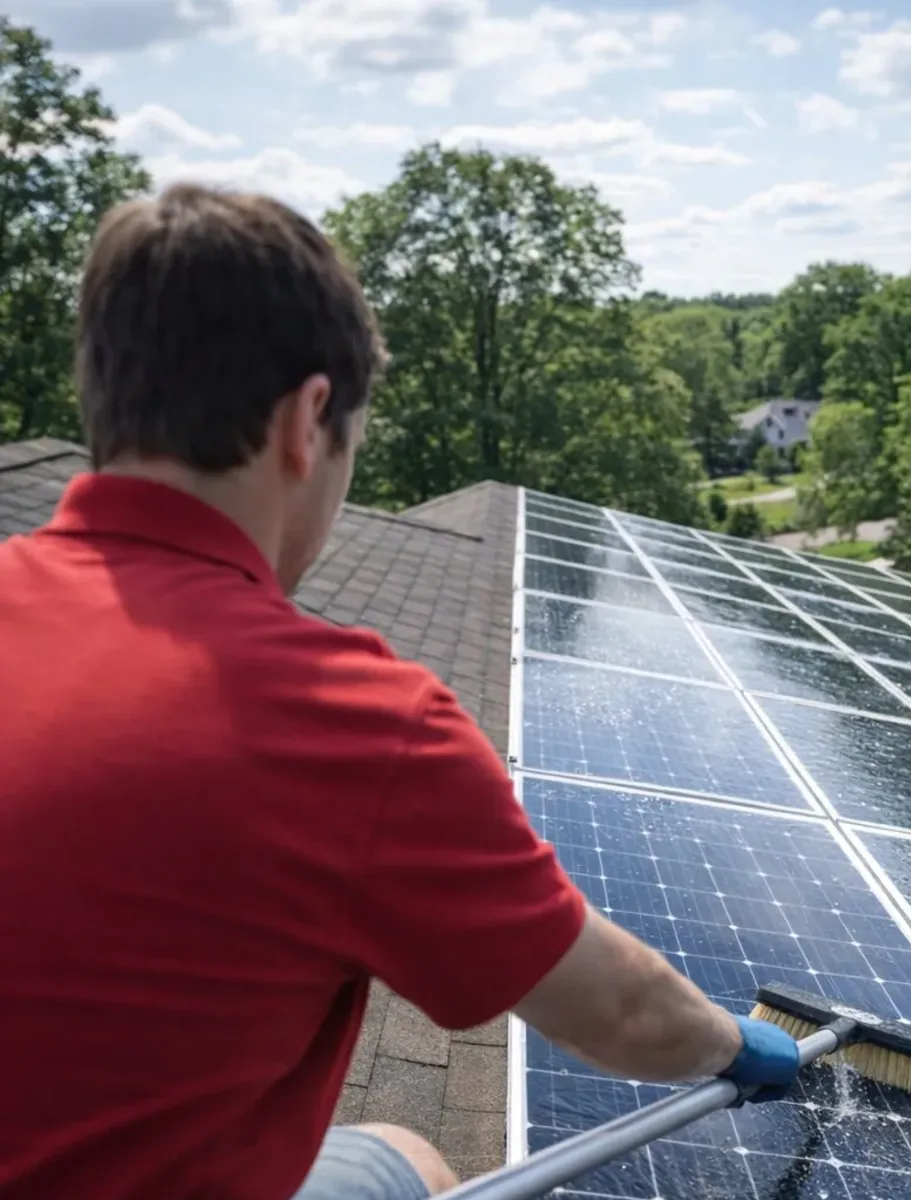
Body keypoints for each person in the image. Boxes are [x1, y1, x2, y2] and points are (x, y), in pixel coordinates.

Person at [0, 184, 800, 1200]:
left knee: (388, 1152)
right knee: (416, 1158)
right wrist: (743, 1047)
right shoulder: (352, 728)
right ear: (309, 419)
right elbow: (624, 1015)